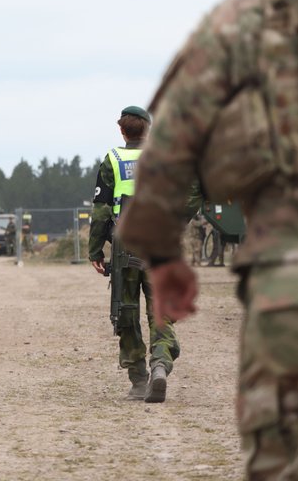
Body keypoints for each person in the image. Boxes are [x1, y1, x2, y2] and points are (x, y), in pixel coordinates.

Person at [118, 0, 298, 478]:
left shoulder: (244, 20)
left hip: (293, 291)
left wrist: (163, 263)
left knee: (290, 458)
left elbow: (165, 157)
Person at [88, 105, 180, 403]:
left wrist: (95, 250)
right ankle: (161, 365)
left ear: (122, 131)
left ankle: (140, 380)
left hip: (126, 246)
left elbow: (101, 211)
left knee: (126, 313)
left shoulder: (112, 160)